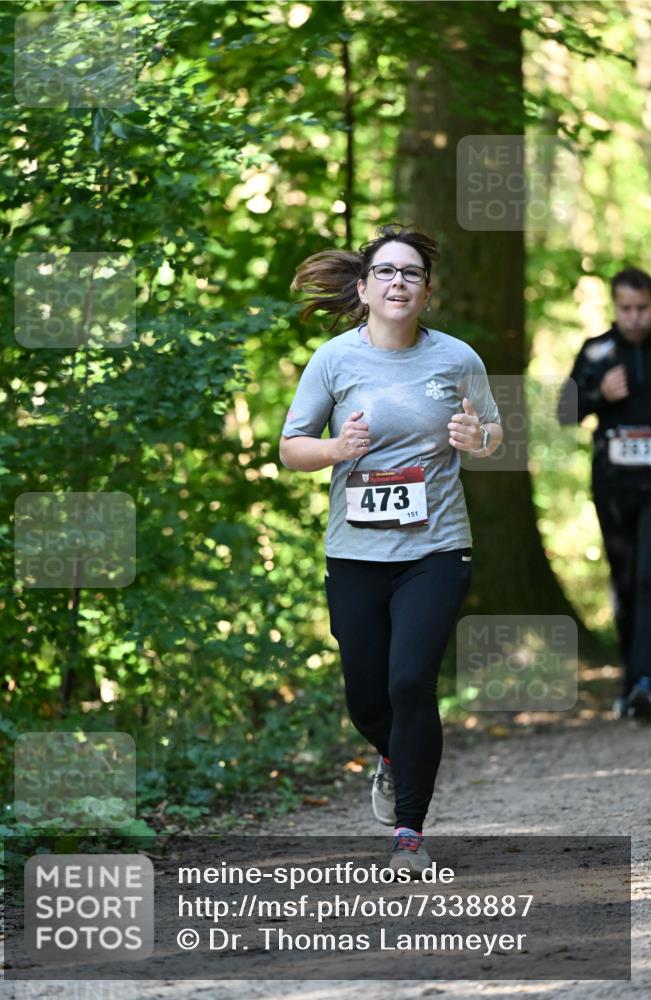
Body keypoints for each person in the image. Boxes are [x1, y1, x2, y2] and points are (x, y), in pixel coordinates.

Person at [279, 223, 503, 876]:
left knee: (410, 682)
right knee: (368, 700)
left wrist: (475, 438)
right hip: (354, 555)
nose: (398, 281)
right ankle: (392, 755)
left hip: (435, 551)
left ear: (425, 292)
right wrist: (335, 450)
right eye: (385, 272)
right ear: (363, 287)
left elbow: (490, 431)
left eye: (410, 273)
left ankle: (409, 833)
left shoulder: (456, 359)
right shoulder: (334, 360)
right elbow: (292, 448)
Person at [558, 267, 651, 719]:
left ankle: (645, 680)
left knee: (650, 575)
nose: (634, 317)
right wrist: (600, 392)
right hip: (614, 487)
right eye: (626, 309)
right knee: (626, 580)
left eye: (643, 308)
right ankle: (631, 682)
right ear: (615, 307)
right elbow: (565, 411)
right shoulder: (597, 351)